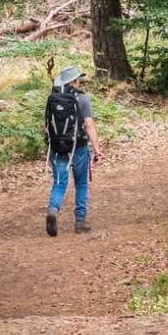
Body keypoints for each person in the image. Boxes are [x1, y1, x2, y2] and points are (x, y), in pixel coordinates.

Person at [44, 66, 104, 236]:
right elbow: (89, 126)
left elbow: (47, 127)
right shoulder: (82, 99)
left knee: (59, 183)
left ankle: (53, 209)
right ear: (73, 81)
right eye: (78, 79)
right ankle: (80, 222)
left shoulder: (53, 98)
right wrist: (97, 150)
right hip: (78, 147)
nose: (79, 82)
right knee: (81, 183)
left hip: (57, 149)